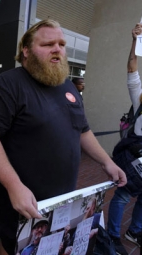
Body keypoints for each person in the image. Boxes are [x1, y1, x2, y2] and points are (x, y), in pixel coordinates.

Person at [0, 19, 127, 255]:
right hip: (20, 197)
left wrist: (107, 162)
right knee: (11, 245)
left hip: (62, 196)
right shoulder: (6, 86)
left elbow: (82, 130)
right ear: (26, 50)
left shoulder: (68, 86)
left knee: (50, 245)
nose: (58, 49)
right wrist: (15, 186)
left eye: (62, 44)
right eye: (48, 44)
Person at [107, 23, 142, 255]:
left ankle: (134, 231)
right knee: (122, 196)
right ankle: (111, 236)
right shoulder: (140, 100)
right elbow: (131, 67)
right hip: (135, 158)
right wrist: (135, 41)